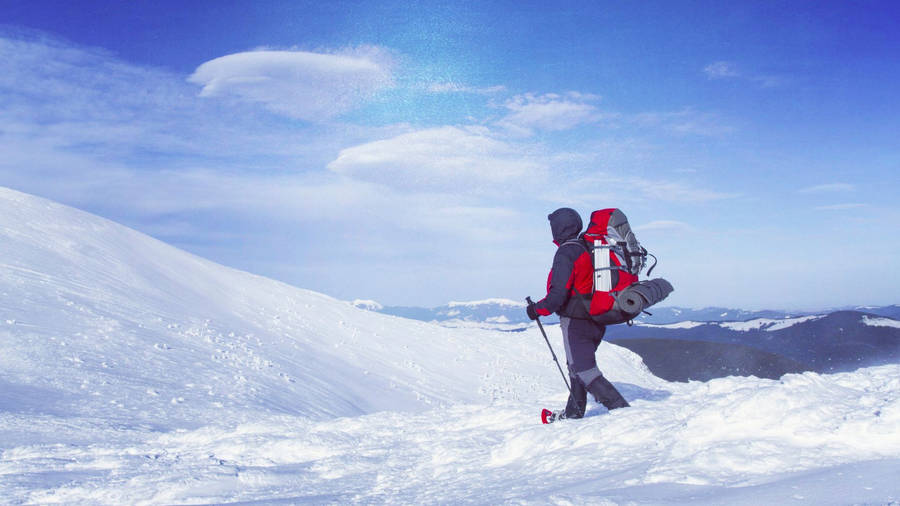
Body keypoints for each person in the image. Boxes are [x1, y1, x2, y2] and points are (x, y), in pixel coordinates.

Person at [526, 207, 630, 419]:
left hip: (576, 320)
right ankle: (574, 413)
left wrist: (536, 310)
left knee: (585, 371)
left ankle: (623, 413)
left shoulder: (567, 252)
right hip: (597, 318)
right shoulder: (589, 247)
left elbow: (557, 296)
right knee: (576, 367)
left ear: (558, 228)